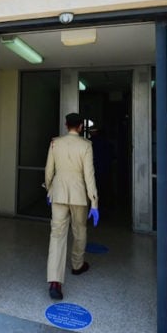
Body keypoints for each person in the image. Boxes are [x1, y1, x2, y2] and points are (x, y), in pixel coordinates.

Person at [44, 113, 100, 300]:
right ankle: (77, 265)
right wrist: (94, 202)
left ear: (66, 124)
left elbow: (49, 170)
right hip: (78, 195)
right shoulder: (86, 145)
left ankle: (55, 281)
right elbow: (89, 175)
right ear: (80, 127)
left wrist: (49, 190)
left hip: (58, 193)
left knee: (57, 235)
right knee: (79, 230)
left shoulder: (55, 143)